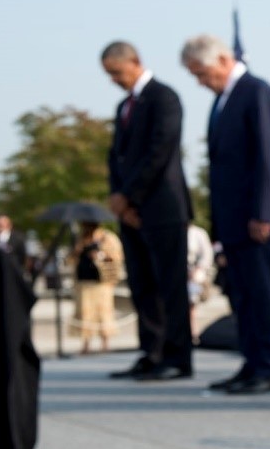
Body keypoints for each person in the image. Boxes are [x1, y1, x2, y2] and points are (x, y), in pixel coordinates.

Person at [182, 34, 270, 394]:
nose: (200, 81)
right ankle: (251, 363)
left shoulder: (256, 91)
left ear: (223, 60)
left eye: (201, 72)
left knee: (263, 295)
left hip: (259, 219)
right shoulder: (221, 101)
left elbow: (268, 156)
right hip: (233, 221)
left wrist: (263, 212)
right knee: (241, 296)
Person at [102, 41, 194, 381]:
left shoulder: (163, 98)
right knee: (142, 285)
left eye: (116, 72)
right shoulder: (124, 107)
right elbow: (116, 157)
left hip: (163, 208)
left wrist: (130, 196)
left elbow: (160, 150)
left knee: (169, 285)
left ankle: (177, 356)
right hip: (130, 211)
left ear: (135, 62)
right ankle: (151, 351)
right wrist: (117, 197)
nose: (113, 79)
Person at [69, 221, 123, 354]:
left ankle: (105, 343)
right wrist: (77, 252)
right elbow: (71, 259)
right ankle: (86, 344)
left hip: (102, 282)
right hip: (84, 281)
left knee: (103, 313)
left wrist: (100, 255)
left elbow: (117, 256)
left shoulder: (107, 238)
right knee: (85, 314)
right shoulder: (81, 240)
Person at [185, 222, 214, 344]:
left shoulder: (198, 233)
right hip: (179, 272)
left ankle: (192, 331)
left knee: (191, 302)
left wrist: (198, 269)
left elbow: (207, 255)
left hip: (195, 272)